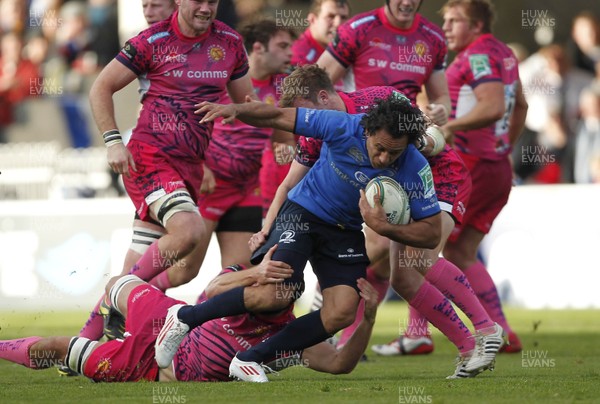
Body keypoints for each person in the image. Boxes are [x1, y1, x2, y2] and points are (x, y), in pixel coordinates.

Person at [154, 93, 505, 382]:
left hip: (345, 231)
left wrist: (384, 228)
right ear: (366, 131)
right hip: (303, 213)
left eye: (393, 153)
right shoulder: (342, 126)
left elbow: (430, 236)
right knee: (278, 292)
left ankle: (251, 358)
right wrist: (236, 109)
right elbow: (278, 116)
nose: (384, 159)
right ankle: (185, 317)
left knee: (340, 312)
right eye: (379, 148)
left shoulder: (414, 164)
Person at [263, 65, 502, 379]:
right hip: (400, 192)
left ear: (322, 99)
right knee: (402, 280)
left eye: (303, 114)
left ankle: (487, 330)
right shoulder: (314, 137)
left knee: (422, 256)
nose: (302, 125)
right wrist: (268, 230)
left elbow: (433, 135)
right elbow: (290, 185)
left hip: (440, 177)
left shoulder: (377, 99)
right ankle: (469, 349)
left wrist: (426, 143)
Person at [84, 0, 255, 342]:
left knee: (136, 267)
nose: (206, 8)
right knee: (189, 230)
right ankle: (120, 297)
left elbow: (246, 104)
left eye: (213, 1)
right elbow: (100, 87)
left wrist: (239, 111)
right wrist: (113, 141)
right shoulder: (151, 41)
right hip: (149, 159)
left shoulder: (230, 42)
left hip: (189, 168)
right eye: (198, 1)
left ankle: (83, 344)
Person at [0, 246, 381, 382]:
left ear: (289, 298)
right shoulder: (236, 282)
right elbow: (214, 289)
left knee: (61, 350)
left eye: (278, 289)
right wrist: (255, 272)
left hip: (150, 367)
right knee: (118, 284)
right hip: (169, 318)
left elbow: (339, 364)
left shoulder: (287, 338)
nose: (267, 293)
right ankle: (106, 314)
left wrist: (367, 319)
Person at [312, 0, 453, 350]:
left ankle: (339, 331)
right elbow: (316, 85)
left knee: (399, 249)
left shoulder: (433, 37)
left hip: (405, 153)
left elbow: (444, 103)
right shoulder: (357, 30)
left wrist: (438, 112)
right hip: (362, 150)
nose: (407, 2)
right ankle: (326, 318)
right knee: (380, 245)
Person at [439, 0, 528, 352]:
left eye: (454, 20)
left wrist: (449, 126)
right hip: (497, 167)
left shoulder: (476, 56)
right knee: (461, 252)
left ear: (475, 26)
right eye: (443, 20)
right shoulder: (503, 52)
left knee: (423, 247)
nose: (445, 27)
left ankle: (417, 334)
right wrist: (504, 146)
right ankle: (502, 331)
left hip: (470, 166)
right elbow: (520, 106)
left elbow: (492, 106)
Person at [198, 19, 295, 268]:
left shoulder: (282, 89)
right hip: (208, 186)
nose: (290, 53)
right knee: (182, 272)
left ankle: (204, 307)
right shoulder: (221, 78)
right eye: (283, 46)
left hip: (247, 190)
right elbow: (188, 124)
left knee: (242, 270)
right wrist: (199, 165)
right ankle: (123, 300)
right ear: (258, 48)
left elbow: (282, 140)